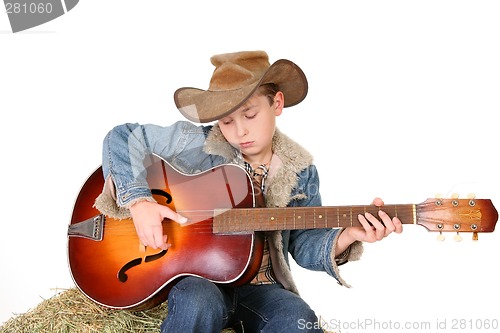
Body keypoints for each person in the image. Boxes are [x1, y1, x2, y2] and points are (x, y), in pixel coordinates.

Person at [96, 50, 403, 333]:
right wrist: (139, 201)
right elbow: (122, 137)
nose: (239, 131)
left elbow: (304, 244)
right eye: (227, 121)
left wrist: (348, 235)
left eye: (250, 115)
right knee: (195, 302)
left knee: (299, 321)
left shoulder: (301, 170)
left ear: (277, 103)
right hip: (202, 281)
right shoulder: (192, 142)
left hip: (263, 289)